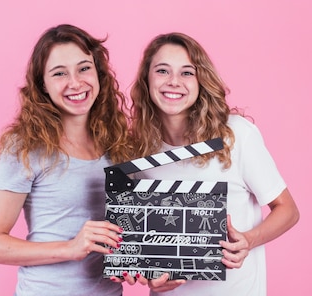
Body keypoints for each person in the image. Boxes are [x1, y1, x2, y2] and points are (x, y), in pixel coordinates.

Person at [125, 32, 300, 295]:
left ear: (201, 81)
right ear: (146, 79)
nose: (174, 82)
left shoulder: (236, 135)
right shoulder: (137, 148)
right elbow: (139, 238)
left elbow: (288, 210)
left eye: (187, 73)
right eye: (162, 70)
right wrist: (149, 275)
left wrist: (248, 241)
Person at [0, 24, 134, 296]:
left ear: (98, 73)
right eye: (60, 73)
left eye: (84, 68)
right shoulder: (25, 147)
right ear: (43, 86)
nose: (75, 82)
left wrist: (138, 261)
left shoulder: (117, 143)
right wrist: (70, 248)